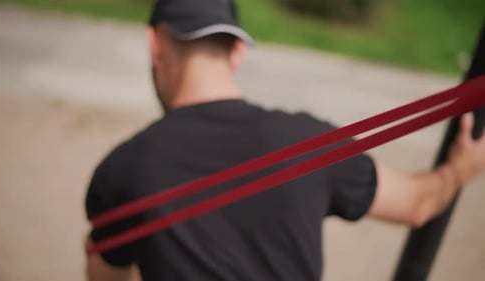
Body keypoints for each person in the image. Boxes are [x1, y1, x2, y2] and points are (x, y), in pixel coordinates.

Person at [84, 0, 485, 280]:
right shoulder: (308, 141)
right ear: (238, 51)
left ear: (155, 45)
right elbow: (418, 203)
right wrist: (461, 168)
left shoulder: (122, 171)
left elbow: (105, 273)